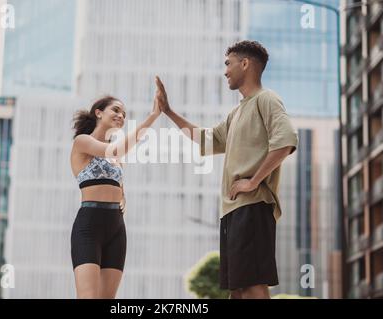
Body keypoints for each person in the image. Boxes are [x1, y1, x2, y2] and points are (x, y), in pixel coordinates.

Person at [156, 41, 299, 299]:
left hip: (253, 207)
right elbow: (205, 139)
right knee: (238, 289)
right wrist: (168, 111)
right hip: (233, 211)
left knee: (253, 284)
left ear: (245, 64)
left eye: (228, 63)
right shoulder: (236, 113)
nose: (225, 71)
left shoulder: (266, 100)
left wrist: (253, 181)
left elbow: (286, 140)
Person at [70, 78, 162, 299]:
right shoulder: (82, 142)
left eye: (124, 114)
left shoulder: (117, 160)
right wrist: (152, 117)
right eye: (116, 110)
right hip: (89, 226)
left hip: (116, 228)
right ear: (99, 113)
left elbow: (119, 190)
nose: (121, 116)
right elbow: (113, 150)